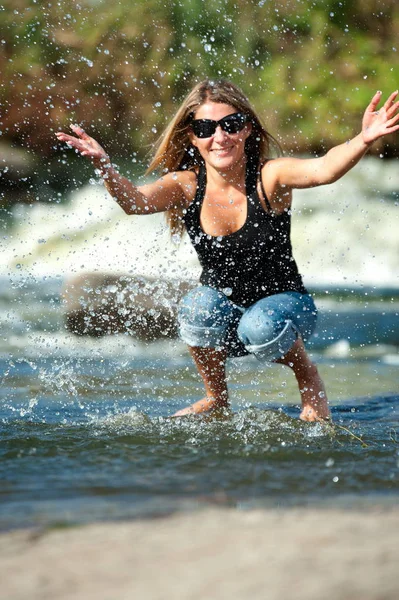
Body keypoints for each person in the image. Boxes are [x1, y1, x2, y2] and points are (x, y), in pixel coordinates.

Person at [56, 80, 399, 421]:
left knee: (260, 324)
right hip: (229, 320)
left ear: (247, 129)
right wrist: (105, 167)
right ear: (192, 136)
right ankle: (215, 396)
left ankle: (308, 377)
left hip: (287, 312)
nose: (219, 137)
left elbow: (323, 169)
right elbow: (135, 202)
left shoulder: (270, 177)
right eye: (205, 127)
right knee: (196, 305)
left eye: (230, 125)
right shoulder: (187, 185)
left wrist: (363, 139)